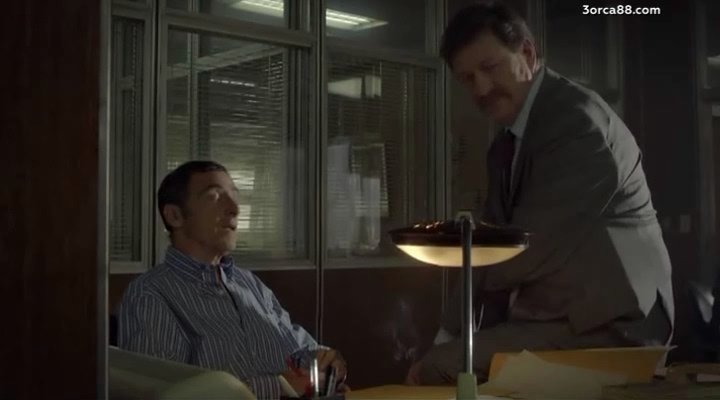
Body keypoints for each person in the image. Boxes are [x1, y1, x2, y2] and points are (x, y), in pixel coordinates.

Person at [407, 1, 674, 385]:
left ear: (528, 53)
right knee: (442, 360)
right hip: (563, 319)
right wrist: (449, 331)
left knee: (439, 367)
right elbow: (489, 244)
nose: (481, 88)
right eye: (467, 78)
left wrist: (449, 337)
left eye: (489, 67)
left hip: (615, 322)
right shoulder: (505, 146)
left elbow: (525, 246)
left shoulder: (575, 122)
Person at [117, 160, 347, 399]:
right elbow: (167, 394)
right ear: (175, 216)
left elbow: (299, 349)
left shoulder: (249, 284)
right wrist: (279, 387)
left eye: (234, 196)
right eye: (214, 197)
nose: (235, 208)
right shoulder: (151, 295)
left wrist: (327, 361)